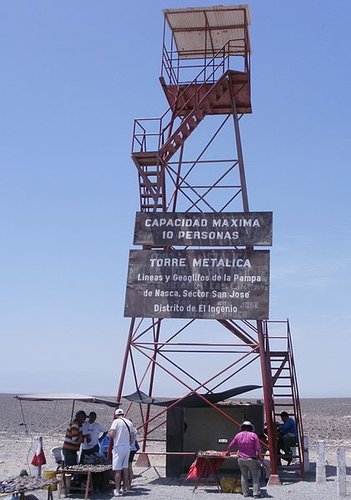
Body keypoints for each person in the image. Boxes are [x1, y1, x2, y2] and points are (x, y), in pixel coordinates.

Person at [226, 420, 263, 499]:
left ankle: (245, 493)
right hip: (251, 458)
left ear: (242, 427)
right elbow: (258, 448)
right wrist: (261, 457)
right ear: (251, 427)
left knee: (244, 476)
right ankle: (256, 493)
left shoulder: (238, 435)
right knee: (255, 476)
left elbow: (231, 445)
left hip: (241, 459)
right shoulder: (253, 435)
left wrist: (228, 452)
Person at [108, 408, 136, 497]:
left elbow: (112, 435)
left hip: (118, 447)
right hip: (127, 447)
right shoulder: (129, 422)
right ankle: (124, 488)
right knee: (125, 468)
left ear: (116, 415)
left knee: (117, 470)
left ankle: (117, 490)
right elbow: (132, 438)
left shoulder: (116, 422)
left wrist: (109, 432)